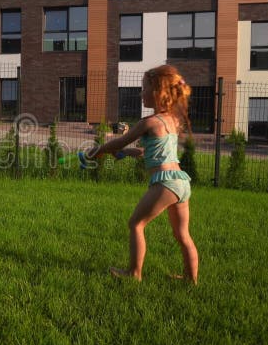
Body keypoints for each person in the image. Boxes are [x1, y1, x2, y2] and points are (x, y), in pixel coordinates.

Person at [84, 64, 199, 284]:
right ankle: (190, 279)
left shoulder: (147, 123)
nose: (140, 93)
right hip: (182, 182)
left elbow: (119, 141)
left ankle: (134, 273)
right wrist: (126, 153)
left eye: (143, 88)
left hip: (165, 183)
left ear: (157, 92)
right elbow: (151, 152)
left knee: (136, 224)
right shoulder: (171, 121)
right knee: (182, 235)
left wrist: (97, 151)